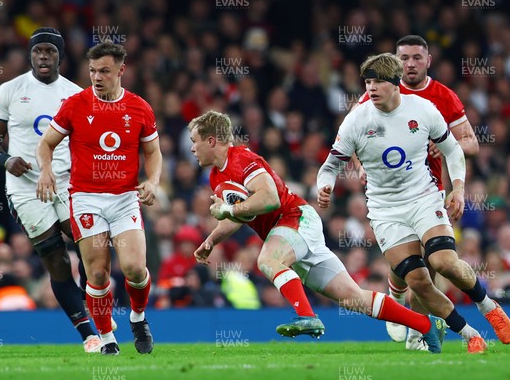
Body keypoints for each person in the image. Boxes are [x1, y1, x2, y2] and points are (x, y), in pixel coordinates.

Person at [189, 110, 447, 354]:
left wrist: (229, 211)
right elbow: (241, 214)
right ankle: (425, 325)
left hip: (295, 217)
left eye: (195, 141)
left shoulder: (242, 158)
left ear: (211, 140)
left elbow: (269, 199)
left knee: (268, 260)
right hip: (288, 232)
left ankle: (307, 316)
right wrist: (212, 240)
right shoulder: (215, 176)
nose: (192, 148)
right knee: (352, 298)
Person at [317, 53, 510, 354]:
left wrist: (458, 189)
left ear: (395, 84)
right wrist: (325, 186)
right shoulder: (357, 119)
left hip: (424, 198)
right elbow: (330, 165)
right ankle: (471, 335)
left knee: (443, 263)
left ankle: (488, 306)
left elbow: (454, 151)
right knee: (419, 282)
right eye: (368, 81)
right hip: (385, 210)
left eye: (379, 81)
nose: (371, 87)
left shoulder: (423, 109)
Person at [36, 41, 162, 356]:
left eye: (104, 71)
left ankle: (138, 317)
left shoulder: (139, 108)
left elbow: (152, 151)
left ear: (121, 70)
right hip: (86, 198)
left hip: (124, 198)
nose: (96, 77)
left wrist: (154, 180)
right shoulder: (75, 104)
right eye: (92, 70)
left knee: (134, 268)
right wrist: (46, 171)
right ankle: (106, 338)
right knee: (97, 273)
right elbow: (46, 144)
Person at [0, 28, 102, 353]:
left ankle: (93, 298)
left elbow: (89, 143)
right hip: (25, 188)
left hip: (67, 182)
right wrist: (5, 160)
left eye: (49, 51)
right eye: (37, 51)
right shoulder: (10, 90)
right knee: (56, 259)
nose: (43, 57)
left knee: (90, 247)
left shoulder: (78, 94)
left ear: (60, 56)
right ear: (30, 55)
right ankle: (88, 334)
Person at [358, 35, 480, 348]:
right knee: (407, 268)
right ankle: (397, 294)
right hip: (390, 195)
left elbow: (471, 143)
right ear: (395, 62)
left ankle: (419, 332)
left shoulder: (443, 96)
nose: (410, 64)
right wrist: (359, 164)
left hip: (430, 191)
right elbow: (351, 136)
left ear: (428, 61)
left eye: (416, 57)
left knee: (435, 263)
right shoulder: (377, 93)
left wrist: (445, 144)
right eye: (404, 58)